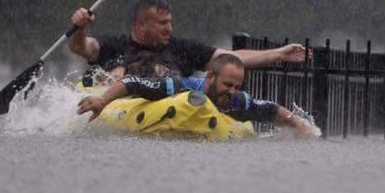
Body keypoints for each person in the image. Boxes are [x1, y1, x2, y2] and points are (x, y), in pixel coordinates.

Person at [77, 53, 317, 138]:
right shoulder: (178, 86)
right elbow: (133, 83)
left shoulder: (237, 100)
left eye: (237, 86)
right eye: (228, 84)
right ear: (210, 77)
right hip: (143, 105)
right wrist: (102, 101)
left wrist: (299, 125)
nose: (232, 91)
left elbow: (271, 109)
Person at [69, 0, 309, 79]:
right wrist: (80, 28)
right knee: (116, 72)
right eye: (162, 23)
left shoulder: (182, 49)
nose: (169, 29)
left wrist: (279, 53)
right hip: (123, 111)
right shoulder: (114, 45)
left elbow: (231, 57)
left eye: (170, 22)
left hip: (169, 111)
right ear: (141, 24)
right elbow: (82, 48)